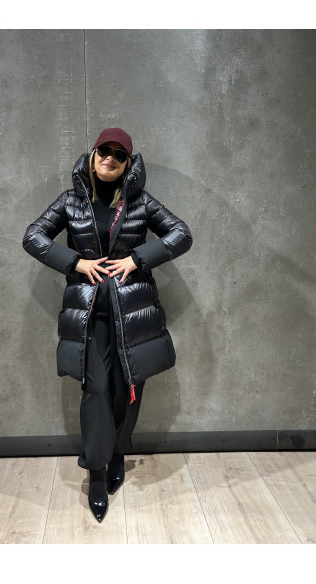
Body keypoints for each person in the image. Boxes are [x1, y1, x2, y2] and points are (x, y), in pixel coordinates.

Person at [23, 128, 193, 523]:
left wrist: (138, 258)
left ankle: (117, 451)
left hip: (132, 313)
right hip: (90, 315)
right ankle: (97, 471)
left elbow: (181, 234)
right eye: (104, 150)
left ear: (127, 163)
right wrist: (75, 262)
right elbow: (33, 236)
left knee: (127, 388)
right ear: (93, 154)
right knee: (97, 388)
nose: (110, 158)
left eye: (119, 154)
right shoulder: (70, 201)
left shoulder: (140, 202)